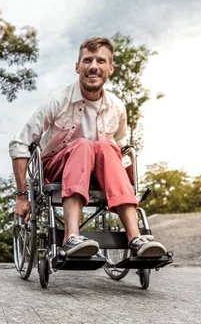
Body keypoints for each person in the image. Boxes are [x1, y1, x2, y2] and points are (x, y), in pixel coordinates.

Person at [9, 37, 167, 258]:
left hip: (100, 171)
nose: (93, 66)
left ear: (110, 68)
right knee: (83, 145)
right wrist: (22, 196)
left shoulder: (117, 106)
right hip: (57, 168)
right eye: (87, 60)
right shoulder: (57, 101)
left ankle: (135, 238)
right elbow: (19, 143)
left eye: (101, 61)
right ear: (77, 67)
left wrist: (129, 183)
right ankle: (71, 236)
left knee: (105, 146)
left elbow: (120, 148)